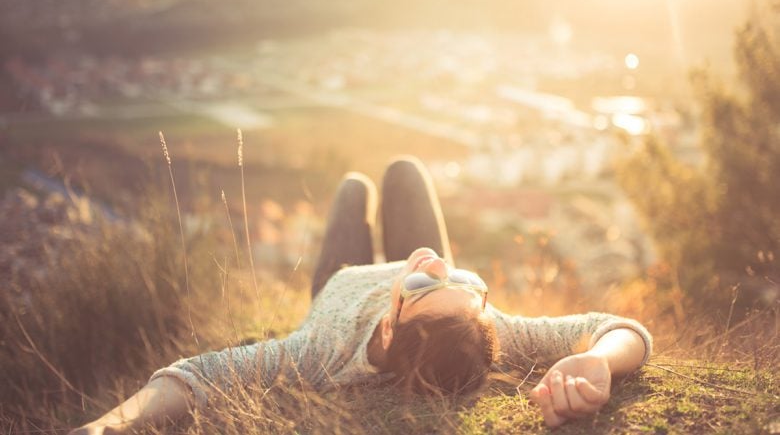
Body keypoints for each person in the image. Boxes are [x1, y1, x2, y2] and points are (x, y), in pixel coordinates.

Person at [70, 156, 652, 433]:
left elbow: (196, 375)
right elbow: (622, 328)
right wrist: (597, 360)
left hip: (341, 282)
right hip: (409, 294)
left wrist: (105, 427)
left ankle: (359, 205)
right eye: (466, 285)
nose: (442, 266)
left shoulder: (320, 350)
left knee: (352, 187)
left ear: (389, 326)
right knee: (403, 172)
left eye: (428, 286)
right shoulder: (488, 322)